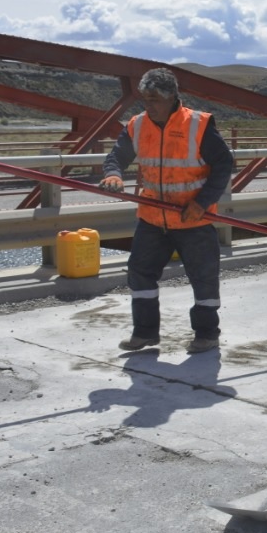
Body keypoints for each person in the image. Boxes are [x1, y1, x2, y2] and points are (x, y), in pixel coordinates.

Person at [101, 67, 234, 354]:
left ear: (173, 97)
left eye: (155, 99)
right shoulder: (137, 125)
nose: (149, 106)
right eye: (145, 99)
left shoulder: (198, 125)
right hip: (152, 218)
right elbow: (117, 156)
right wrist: (113, 174)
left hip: (193, 219)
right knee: (140, 272)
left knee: (203, 278)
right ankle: (145, 332)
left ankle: (207, 334)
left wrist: (202, 202)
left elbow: (224, 164)